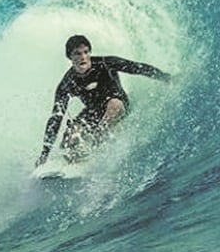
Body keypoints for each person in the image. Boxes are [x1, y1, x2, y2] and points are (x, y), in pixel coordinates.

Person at [35, 34, 172, 167]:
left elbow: (136, 68)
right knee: (71, 134)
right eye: (77, 53)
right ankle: (72, 162)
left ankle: (96, 146)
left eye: (86, 52)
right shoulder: (67, 83)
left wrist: (165, 77)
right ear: (69, 57)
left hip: (118, 104)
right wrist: (44, 153)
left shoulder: (106, 63)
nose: (83, 57)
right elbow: (56, 117)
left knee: (113, 106)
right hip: (94, 112)